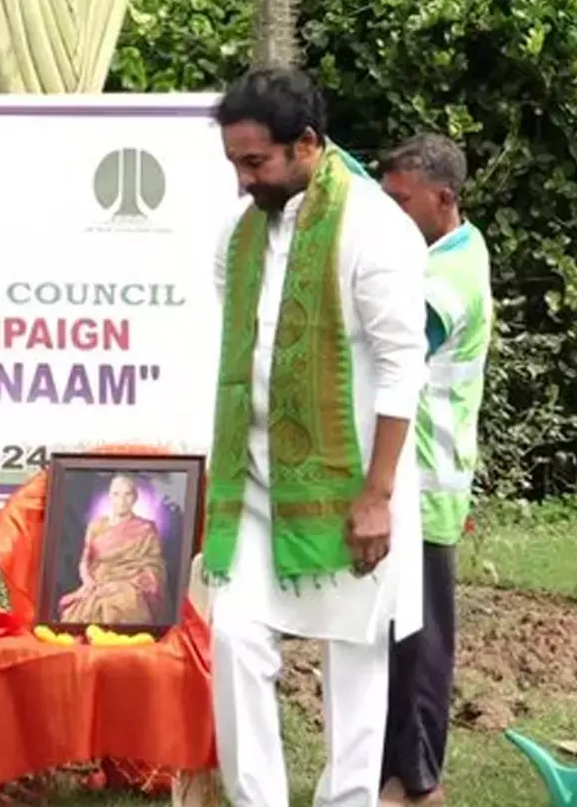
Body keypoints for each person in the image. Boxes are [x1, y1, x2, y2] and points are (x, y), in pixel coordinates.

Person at [204, 67, 429, 807]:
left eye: (255, 162)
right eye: (235, 163)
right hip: (258, 484)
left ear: (305, 143)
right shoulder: (239, 236)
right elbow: (241, 357)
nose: (244, 181)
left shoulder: (374, 228)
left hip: (354, 483)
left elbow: (402, 365)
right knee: (235, 638)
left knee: (355, 657)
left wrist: (378, 495)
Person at [376, 134, 493, 806]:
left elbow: (396, 345)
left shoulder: (451, 275)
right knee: (392, 636)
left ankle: (419, 786)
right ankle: (393, 777)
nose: (389, 213)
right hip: (406, 479)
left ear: (443, 198)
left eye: (401, 201)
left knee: (418, 642)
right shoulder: (437, 251)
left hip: (424, 485)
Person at [57, 475, 166, 625]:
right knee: (75, 615)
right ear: (110, 496)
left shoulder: (146, 528)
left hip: (127, 586)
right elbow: (84, 561)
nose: (122, 500)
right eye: (116, 494)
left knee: (115, 606)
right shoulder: (96, 525)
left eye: (127, 494)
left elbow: (153, 567)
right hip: (96, 584)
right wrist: (88, 582)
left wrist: (121, 585)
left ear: (135, 498)